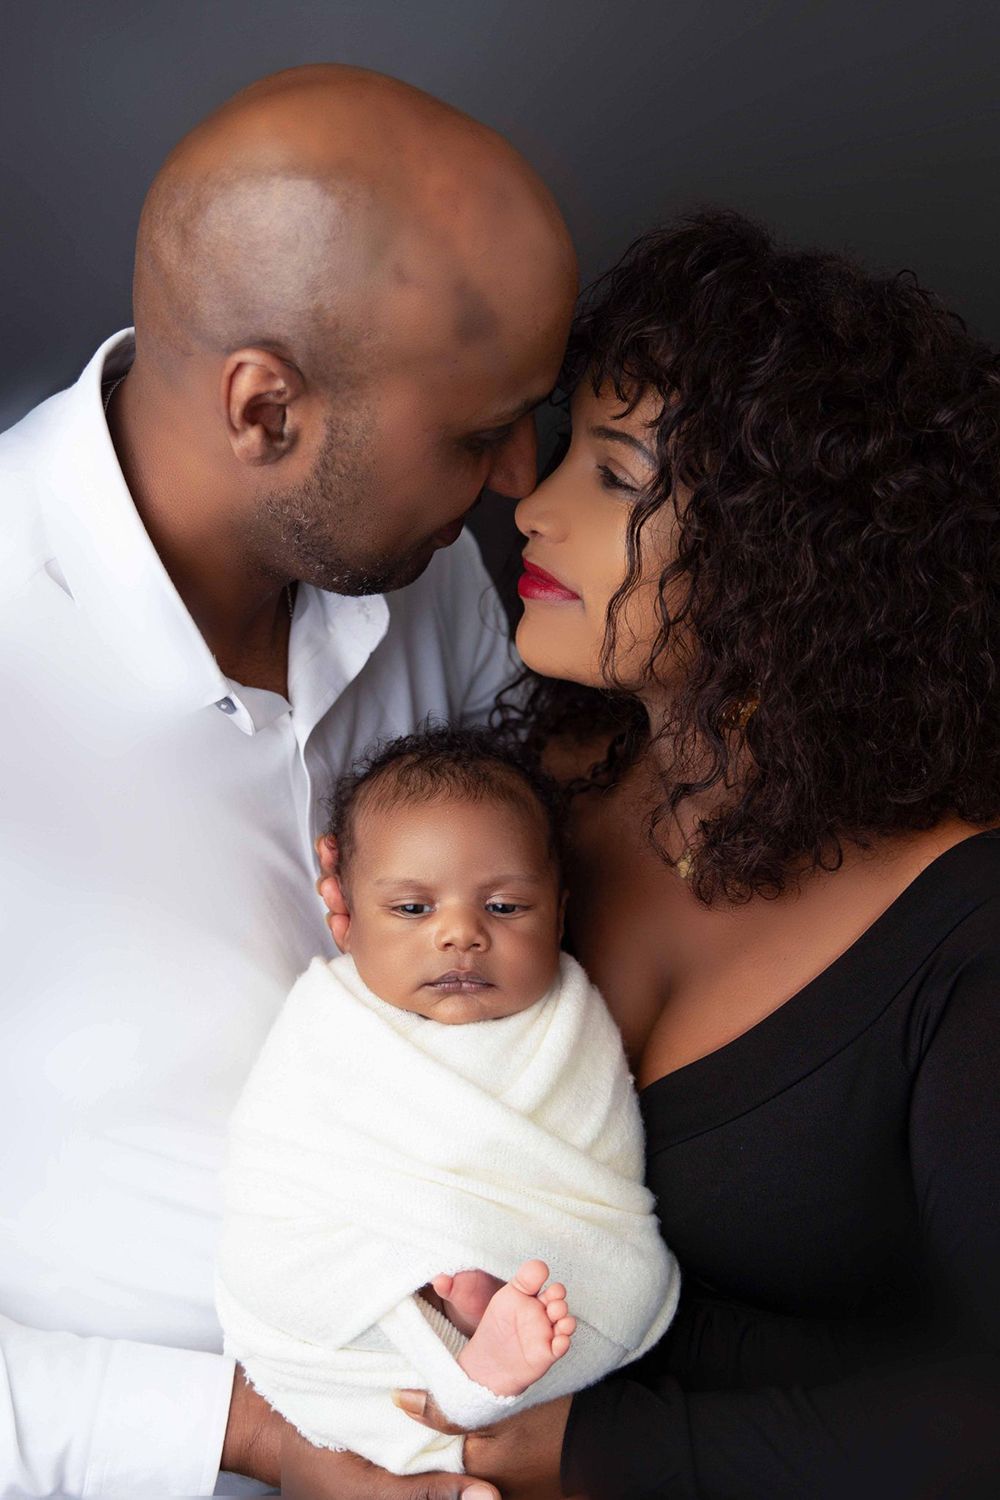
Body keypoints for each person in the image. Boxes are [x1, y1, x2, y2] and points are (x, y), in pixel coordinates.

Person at [314, 211, 1000, 1498]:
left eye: (619, 479)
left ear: (794, 566)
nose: (533, 503)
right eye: (569, 450)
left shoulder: (963, 936)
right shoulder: (533, 787)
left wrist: (596, 1450)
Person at [0, 64, 577, 1498]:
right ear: (265, 411)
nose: (518, 480)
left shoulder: (415, 569)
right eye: (474, 434)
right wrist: (249, 1436)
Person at [215, 727, 678, 1477]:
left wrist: (489, 1248)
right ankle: (466, 1357)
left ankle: (485, 1356)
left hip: (532, 1304)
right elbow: (277, 1167)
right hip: (357, 1315)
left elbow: (599, 1192)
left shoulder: (569, 1025)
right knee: (290, 1274)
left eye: (503, 906)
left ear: (558, 914)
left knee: (597, 1294)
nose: (461, 934)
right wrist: (418, 1262)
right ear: (345, 912)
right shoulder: (327, 1018)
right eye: (410, 909)